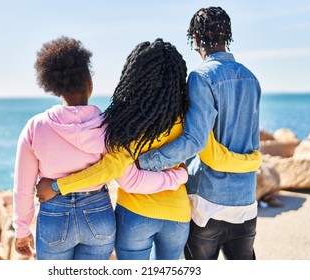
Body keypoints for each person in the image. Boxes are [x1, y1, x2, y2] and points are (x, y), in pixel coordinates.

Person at [36, 38, 262, 260]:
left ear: (133, 76)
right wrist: (253, 161)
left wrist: (59, 185)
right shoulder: (186, 118)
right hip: (177, 216)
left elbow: (108, 169)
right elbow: (208, 150)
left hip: (135, 216)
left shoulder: (126, 122)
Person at [13, 36, 192, 260]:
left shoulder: (35, 127)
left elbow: (23, 187)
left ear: (54, 87)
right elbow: (127, 178)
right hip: (98, 214)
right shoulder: (108, 127)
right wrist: (179, 176)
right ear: (90, 83)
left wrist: (21, 231)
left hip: (54, 215)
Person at [137, 7, 262, 260]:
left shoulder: (200, 77)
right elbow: (251, 141)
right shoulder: (251, 78)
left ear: (195, 38)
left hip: (208, 202)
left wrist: (145, 161)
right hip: (246, 200)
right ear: (227, 35)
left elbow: (194, 140)